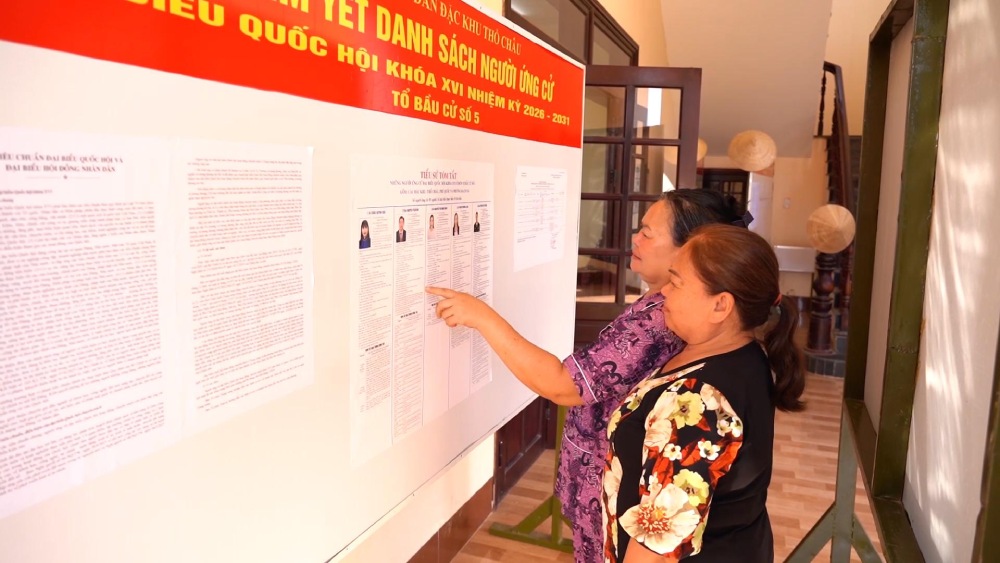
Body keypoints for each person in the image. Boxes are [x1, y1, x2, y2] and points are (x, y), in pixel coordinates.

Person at [426, 189, 748, 562]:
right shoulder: (660, 302)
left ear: (690, 249)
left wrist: (480, 316)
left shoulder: (659, 320)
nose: (635, 239)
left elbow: (565, 385)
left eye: (648, 233)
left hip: (612, 491)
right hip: (603, 481)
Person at [602, 224, 804, 562]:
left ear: (720, 306)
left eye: (676, 282)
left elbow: (656, 546)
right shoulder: (743, 355)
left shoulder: (698, 401)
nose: (664, 291)